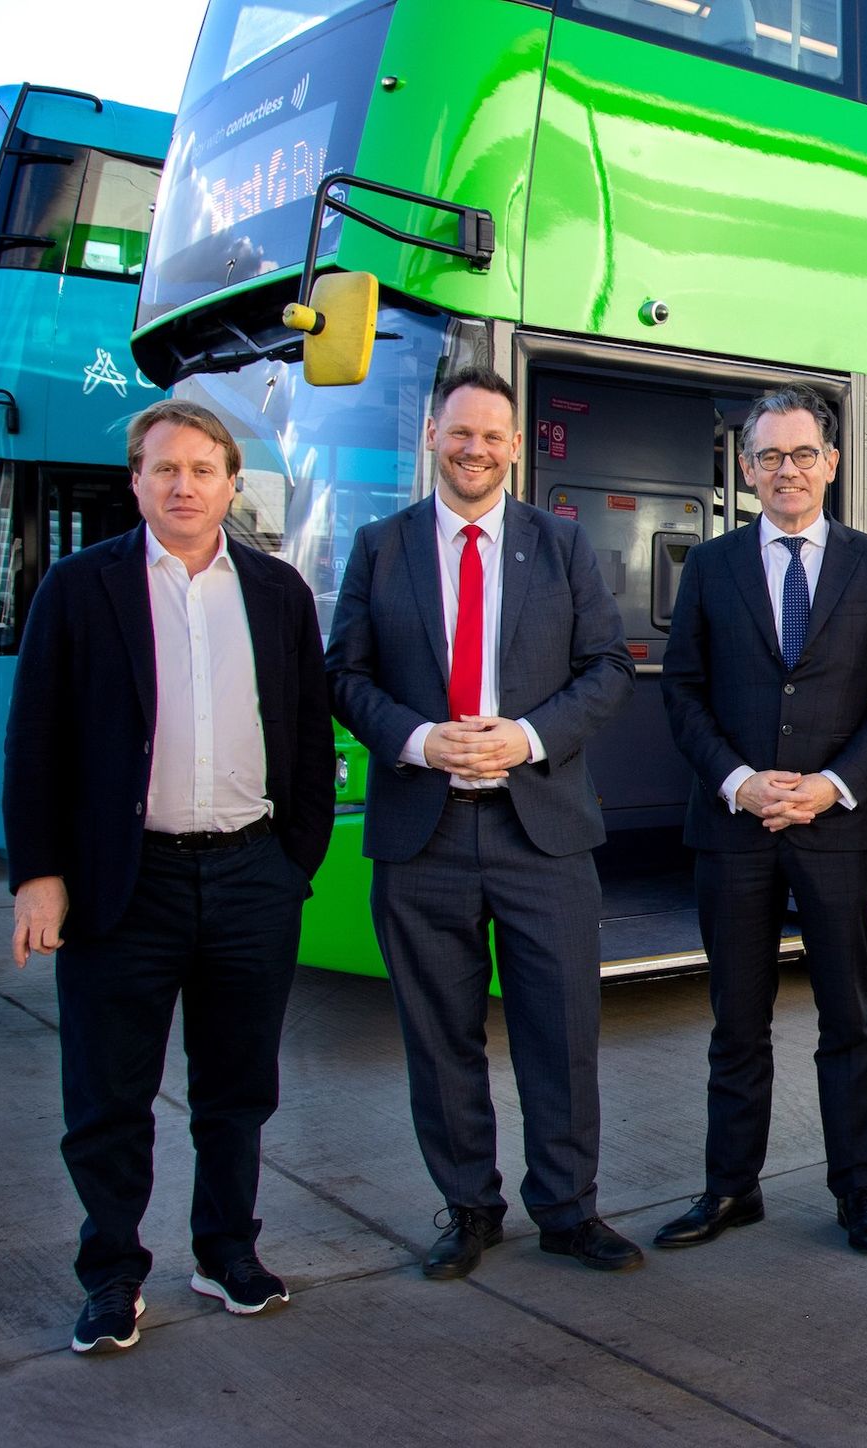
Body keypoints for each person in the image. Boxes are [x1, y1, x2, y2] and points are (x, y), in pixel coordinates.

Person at [3, 399, 335, 1352]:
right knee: (108, 1098)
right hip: (123, 886)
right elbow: (35, 746)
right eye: (164, 469)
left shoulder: (277, 593)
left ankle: (226, 1248)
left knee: (238, 1089)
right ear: (136, 482)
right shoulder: (78, 588)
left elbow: (308, 737)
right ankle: (111, 1271)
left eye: (202, 469)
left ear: (233, 483)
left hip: (249, 878)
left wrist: (292, 862)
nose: (184, 485)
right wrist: (40, 877)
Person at [326, 365, 641, 1279]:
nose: (476, 449)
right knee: (440, 1035)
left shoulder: (561, 545)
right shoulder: (379, 547)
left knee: (562, 1030)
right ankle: (469, 1209)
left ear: (515, 446)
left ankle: (569, 1210)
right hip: (422, 835)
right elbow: (344, 675)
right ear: (433, 435)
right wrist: (422, 741)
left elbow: (609, 669)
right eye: (460, 433)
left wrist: (528, 737)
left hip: (540, 831)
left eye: (493, 436)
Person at [655, 383, 867, 1255]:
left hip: (837, 828)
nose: (787, 471)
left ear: (831, 464)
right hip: (733, 828)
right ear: (746, 468)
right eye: (769, 456)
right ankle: (731, 1189)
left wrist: (830, 786)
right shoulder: (711, 566)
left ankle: (858, 1193)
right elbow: (684, 693)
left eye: (803, 454)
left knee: (849, 1018)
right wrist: (739, 782)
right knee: (737, 1020)